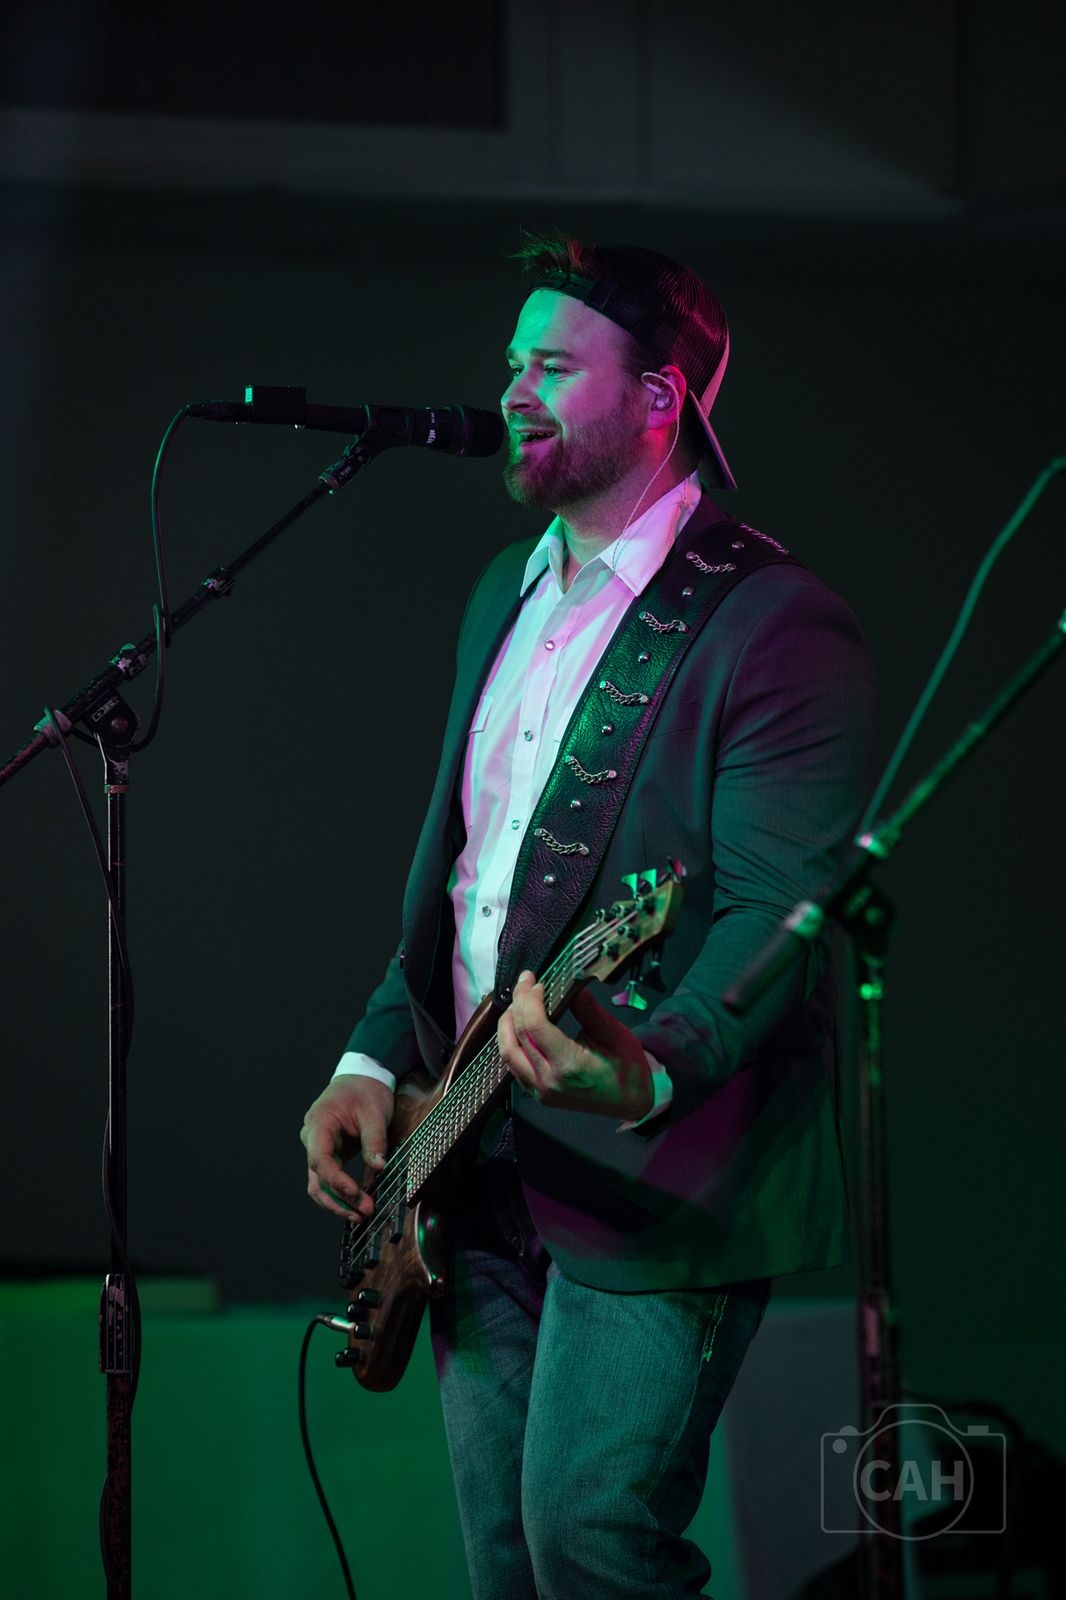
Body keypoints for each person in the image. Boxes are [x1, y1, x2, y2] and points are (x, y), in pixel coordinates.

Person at [301, 233, 874, 1598]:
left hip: (666, 1168)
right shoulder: (501, 594)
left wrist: (650, 1066)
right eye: (512, 363)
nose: (512, 391)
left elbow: (775, 913)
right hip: (472, 1147)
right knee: (508, 1562)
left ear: (660, 396)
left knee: (589, 1540)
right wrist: (372, 1057)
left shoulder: (772, 622)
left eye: (553, 367)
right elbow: (471, 880)